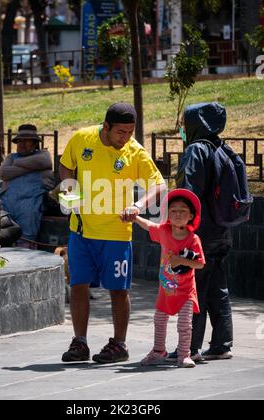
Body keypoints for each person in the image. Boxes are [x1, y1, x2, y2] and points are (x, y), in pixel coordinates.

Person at [60, 102, 165, 364]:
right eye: (121, 132)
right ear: (105, 127)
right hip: (81, 231)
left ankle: (119, 344)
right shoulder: (82, 138)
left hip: (117, 234)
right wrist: (70, 193)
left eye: (130, 131)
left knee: (118, 290)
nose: (126, 137)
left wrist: (139, 205)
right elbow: (65, 165)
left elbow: (159, 184)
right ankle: (80, 343)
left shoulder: (135, 151)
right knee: (78, 286)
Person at [175, 102, 234, 361]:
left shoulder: (195, 150)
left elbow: (187, 193)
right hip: (223, 230)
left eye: (184, 124)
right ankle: (222, 345)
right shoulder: (223, 148)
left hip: (200, 233)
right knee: (217, 288)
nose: (181, 130)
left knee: (193, 288)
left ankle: (190, 348)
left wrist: (178, 227)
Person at [135, 189, 205, 368]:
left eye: (183, 210)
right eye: (173, 210)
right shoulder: (164, 231)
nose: (178, 214)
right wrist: (134, 216)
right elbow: (148, 225)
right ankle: (158, 351)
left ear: (191, 216)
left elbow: (200, 264)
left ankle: (184, 355)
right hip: (166, 289)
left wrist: (181, 260)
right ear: (167, 214)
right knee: (159, 320)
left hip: (186, 290)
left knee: (184, 324)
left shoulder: (193, 238)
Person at [0, 124, 54, 247]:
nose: (22, 144)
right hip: (7, 207)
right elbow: (3, 173)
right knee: (3, 240)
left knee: (26, 243)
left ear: (34, 143)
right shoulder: (11, 157)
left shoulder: (43, 156)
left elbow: (44, 162)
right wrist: (30, 167)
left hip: (29, 210)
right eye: (20, 141)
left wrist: (16, 164)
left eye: (26, 141)